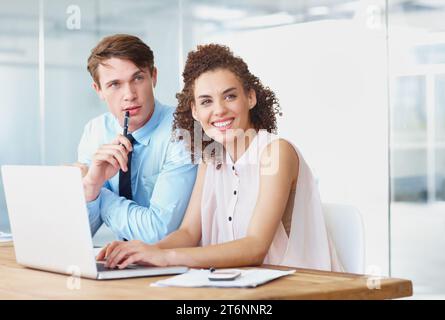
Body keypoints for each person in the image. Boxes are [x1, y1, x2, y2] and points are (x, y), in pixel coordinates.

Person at [97, 44, 343, 272]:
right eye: (206, 101)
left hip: (301, 288)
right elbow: (188, 233)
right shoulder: (211, 159)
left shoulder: (276, 152)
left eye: (230, 96)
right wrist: (143, 250)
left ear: (251, 97)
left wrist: (167, 257)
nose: (219, 110)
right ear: (195, 111)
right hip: (240, 287)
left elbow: (256, 247)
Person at [77, 34, 197, 243]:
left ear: (154, 76)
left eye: (138, 78)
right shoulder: (95, 131)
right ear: (99, 90)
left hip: (182, 266)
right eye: (115, 84)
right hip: (126, 265)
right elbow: (79, 235)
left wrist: (93, 188)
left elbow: (159, 234)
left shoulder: (184, 130)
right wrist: (90, 188)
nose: (129, 94)